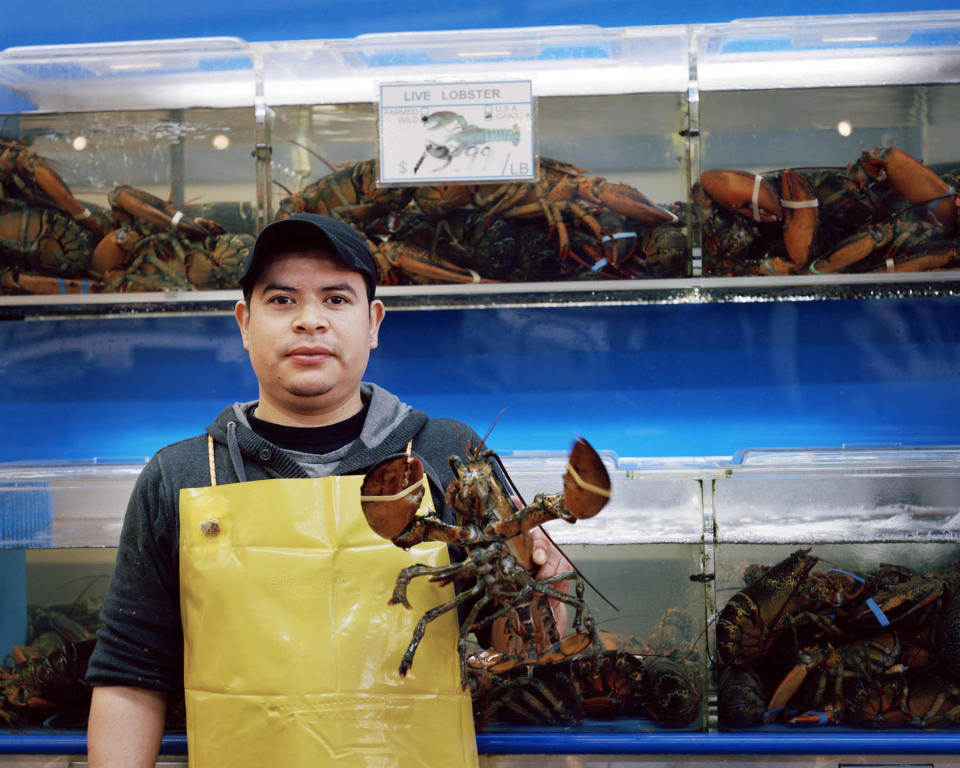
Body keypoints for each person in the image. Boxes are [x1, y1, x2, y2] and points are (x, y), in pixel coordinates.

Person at [85, 212, 572, 767]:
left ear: (373, 322)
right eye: (282, 300)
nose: (309, 321)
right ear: (244, 322)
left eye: (336, 299)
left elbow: (516, 650)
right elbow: (130, 677)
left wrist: (543, 588)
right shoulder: (183, 474)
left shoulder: (450, 454)